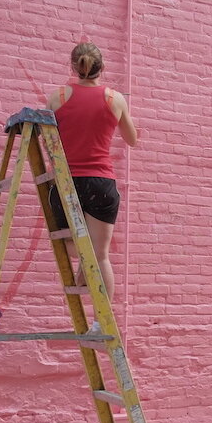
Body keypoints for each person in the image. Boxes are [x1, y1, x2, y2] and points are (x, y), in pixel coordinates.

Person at [45, 42, 139, 297]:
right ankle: (102, 325)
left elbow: (48, 142)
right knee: (101, 255)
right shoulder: (115, 98)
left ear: (73, 66)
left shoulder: (57, 97)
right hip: (101, 182)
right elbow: (132, 139)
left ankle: (86, 262)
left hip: (67, 182)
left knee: (67, 244)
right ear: (102, 67)